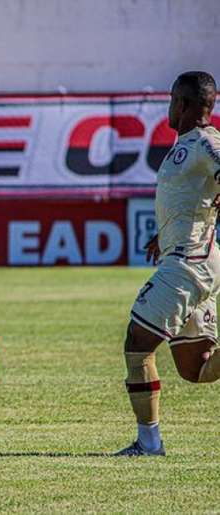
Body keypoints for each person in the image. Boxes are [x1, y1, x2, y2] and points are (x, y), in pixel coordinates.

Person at [117, 71, 220, 456]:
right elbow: (191, 196)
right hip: (194, 257)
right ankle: (149, 442)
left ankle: (149, 443)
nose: (169, 106)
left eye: (173, 99)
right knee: (197, 369)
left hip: (189, 264)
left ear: (185, 104)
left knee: (137, 343)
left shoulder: (206, 144)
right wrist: (164, 234)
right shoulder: (189, 145)